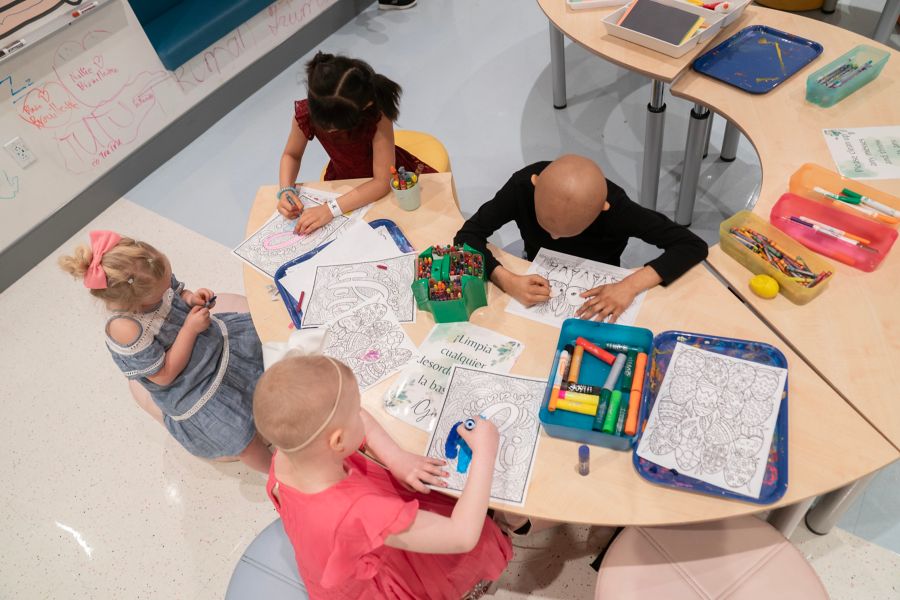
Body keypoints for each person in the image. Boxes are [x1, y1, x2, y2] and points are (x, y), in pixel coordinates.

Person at [253, 354, 512, 599]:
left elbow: (356, 422)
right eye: (355, 410)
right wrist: (485, 451)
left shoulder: (288, 456)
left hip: (333, 564)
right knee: (481, 538)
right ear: (338, 440)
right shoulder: (360, 512)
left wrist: (394, 456)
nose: (361, 414)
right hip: (377, 586)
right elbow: (462, 536)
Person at [59, 231, 271, 472]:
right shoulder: (125, 328)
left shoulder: (151, 275)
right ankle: (276, 473)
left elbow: (179, 293)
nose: (167, 292)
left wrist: (192, 298)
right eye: (160, 293)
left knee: (267, 337)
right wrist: (189, 330)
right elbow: (164, 375)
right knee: (238, 436)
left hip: (213, 343)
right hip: (190, 386)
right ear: (136, 301)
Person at [454, 155, 709, 322]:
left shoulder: (619, 210)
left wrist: (629, 286)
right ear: (535, 185)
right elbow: (467, 236)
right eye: (547, 227)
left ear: (603, 209)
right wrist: (506, 279)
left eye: (567, 232)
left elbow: (691, 245)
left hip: (597, 287)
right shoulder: (522, 186)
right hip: (535, 280)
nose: (553, 237)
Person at [277, 52, 435, 235]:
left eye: (336, 129)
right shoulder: (307, 114)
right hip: (344, 182)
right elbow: (291, 155)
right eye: (324, 127)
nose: (329, 132)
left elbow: (382, 182)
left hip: (391, 179)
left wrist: (330, 210)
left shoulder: (377, 113)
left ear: (364, 107)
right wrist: (286, 190)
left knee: (415, 228)